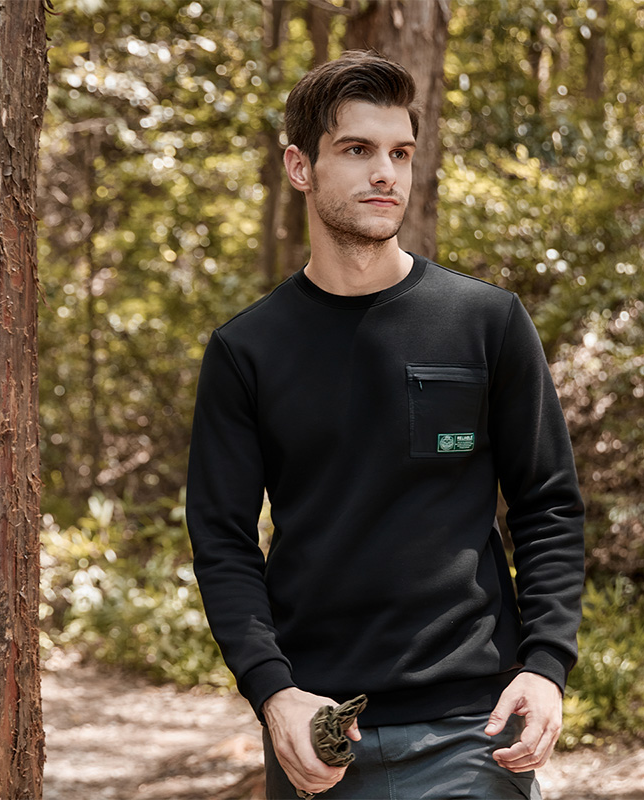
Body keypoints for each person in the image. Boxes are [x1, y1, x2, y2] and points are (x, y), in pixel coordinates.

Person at [186, 50, 585, 800]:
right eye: (357, 150)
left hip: (475, 729)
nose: (386, 174)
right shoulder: (247, 351)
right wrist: (274, 693)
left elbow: (548, 505)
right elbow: (223, 541)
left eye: (400, 153)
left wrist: (546, 664)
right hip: (319, 731)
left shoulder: (487, 322)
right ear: (300, 167)